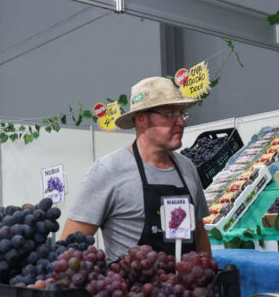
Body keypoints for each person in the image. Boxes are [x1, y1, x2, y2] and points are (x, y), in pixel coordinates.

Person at [63, 76, 211, 261]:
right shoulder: (107, 171)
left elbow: (199, 235)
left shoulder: (187, 168)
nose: (181, 122)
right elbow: (71, 247)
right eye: (170, 114)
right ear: (141, 119)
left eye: (182, 114)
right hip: (132, 289)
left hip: (185, 288)